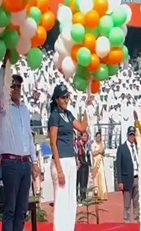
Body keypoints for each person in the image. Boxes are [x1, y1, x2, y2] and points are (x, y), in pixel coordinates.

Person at [0, 54, 39, 231]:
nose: (17, 89)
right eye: (13, 86)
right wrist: (4, 66)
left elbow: (29, 136)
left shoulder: (25, 110)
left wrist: (34, 161)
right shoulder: (4, 107)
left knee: (22, 211)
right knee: (10, 209)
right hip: (11, 162)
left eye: (19, 86)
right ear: (8, 88)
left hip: (25, 163)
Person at [48, 83, 88, 231]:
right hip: (61, 161)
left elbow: (82, 128)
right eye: (63, 97)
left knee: (71, 201)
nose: (66, 100)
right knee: (61, 201)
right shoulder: (54, 116)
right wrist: (59, 170)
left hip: (71, 159)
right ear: (57, 99)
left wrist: (87, 108)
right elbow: (53, 143)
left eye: (67, 97)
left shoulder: (68, 114)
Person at [116, 126, 139, 223]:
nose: (132, 137)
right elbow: (119, 166)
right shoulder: (122, 148)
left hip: (137, 178)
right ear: (127, 135)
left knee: (137, 202)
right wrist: (120, 181)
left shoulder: (137, 147)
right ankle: (127, 221)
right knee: (127, 203)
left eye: (133, 135)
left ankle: (137, 219)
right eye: (130, 135)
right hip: (126, 179)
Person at [75, 132, 91, 203]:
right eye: (84, 136)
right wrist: (83, 163)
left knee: (85, 181)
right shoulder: (78, 144)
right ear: (81, 136)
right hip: (80, 166)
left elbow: (87, 155)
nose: (85, 138)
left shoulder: (86, 144)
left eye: (86, 136)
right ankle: (79, 197)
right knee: (80, 181)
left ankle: (84, 196)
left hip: (86, 165)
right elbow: (79, 155)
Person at [91, 132, 108, 200]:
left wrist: (103, 151)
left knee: (102, 176)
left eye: (99, 137)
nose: (98, 138)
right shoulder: (93, 144)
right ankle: (96, 193)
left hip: (100, 162)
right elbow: (93, 153)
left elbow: (103, 153)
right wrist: (99, 151)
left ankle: (103, 194)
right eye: (97, 136)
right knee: (96, 178)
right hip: (95, 162)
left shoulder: (101, 144)